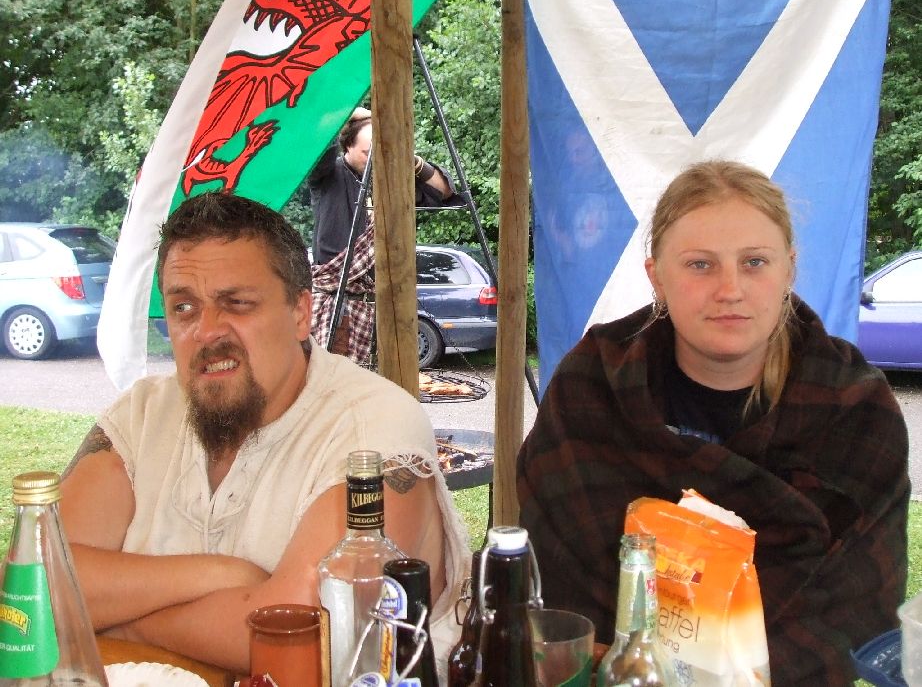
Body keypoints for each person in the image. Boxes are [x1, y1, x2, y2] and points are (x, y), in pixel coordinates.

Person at [517, 160, 909, 685]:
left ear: (789, 270)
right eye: (700, 265)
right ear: (657, 277)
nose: (730, 289)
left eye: (754, 262)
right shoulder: (591, 385)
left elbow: (854, 605)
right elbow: (558, 581)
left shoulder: (854, 406)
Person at [58, 192, 470, 673]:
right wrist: (219, 575)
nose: (207, 331)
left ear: (300, 313)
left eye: (236, 303)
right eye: (184, 307)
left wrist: (120, 623)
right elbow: (36, 582)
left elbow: (307, 633)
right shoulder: (142, 414)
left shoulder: (373, 425)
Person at [308, 107, 462, 363]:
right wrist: (348, 113)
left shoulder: (392, 182)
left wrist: (408, 158)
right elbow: (319, 143)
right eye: (367, 153)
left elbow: (443, 191)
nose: (374, 160)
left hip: (386, 304)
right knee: (339, 380)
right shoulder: (328, 176)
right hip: (341, 304)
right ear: (347, 147)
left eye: (379, 153)